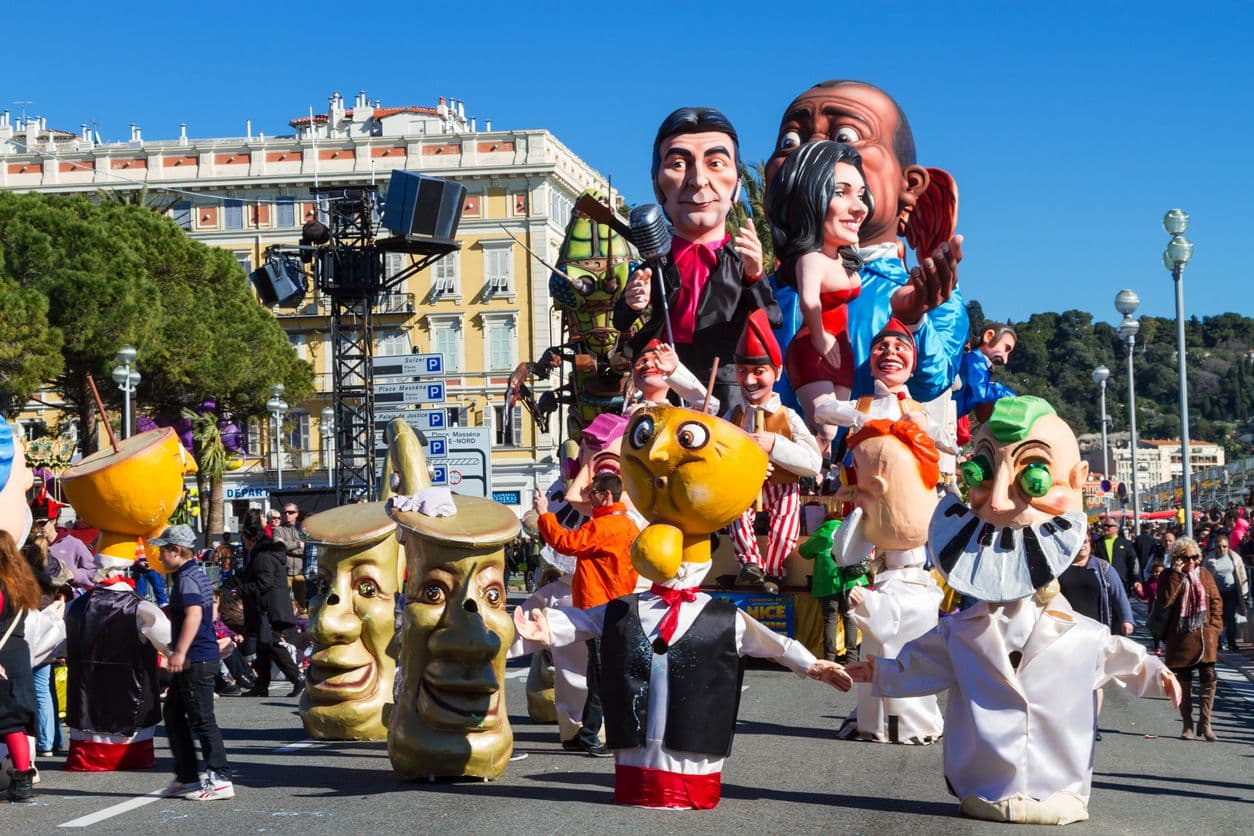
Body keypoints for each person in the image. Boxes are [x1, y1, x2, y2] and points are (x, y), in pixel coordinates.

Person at [852, 397, 1179, 825]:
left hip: (1061, 789)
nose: (1000, 503)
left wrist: (1159, 673)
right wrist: (879, 671)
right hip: (983, 789)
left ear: (1078, 482)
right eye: (981, 473)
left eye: (1035, 477)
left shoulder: (1083, 635)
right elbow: (922, 662)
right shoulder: (963, 632)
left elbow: (1122, 657)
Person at [764, 80, 967, 405]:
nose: (808, 152)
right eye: (791, 140)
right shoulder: (758, 291)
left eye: (845, 136)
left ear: (910, 185)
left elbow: (933, 383)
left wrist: (911, 321)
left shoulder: (925, 294)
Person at [616, 106, 778, 409]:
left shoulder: (739, 260)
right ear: (656, 184)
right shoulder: (656, 262)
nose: (698, 180)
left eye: (716, 163)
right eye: (678, 164)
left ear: (738, 184)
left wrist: (755, 276)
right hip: (666, 378)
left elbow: (771, 320)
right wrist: (631, 303)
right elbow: (620, 319)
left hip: (727, 380)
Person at [767, 139, 871, 458]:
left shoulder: (844, 259)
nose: (859, 207)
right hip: (814, 345)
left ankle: (822, 479)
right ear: (811, 199)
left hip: (841, 346)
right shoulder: (809, 259)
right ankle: (867, 417)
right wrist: (821, 337)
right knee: (825, 420)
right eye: (841, 192)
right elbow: (808, 301)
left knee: (833, 434)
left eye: (862, 195)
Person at [534, 472, 640, 757]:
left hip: (598, 610)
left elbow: (566, 543)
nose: (586, 496)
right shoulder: (625, 524)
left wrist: (544, 514)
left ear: (606, 496)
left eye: (592, 491)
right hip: (613, 608)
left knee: (599, 677)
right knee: (600, 675)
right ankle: (587, 733)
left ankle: (590, 735)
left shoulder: (606, 526)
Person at [726, 310, 823, 592]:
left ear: (776, 373)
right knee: (736, 509)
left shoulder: (788, 416)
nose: (750, 380)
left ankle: (775, 571)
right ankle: (750, 565)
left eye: (759, 371)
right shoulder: (733, 414)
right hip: (745, 486)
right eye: (743, 371)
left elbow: (812, 462)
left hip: (781, 486)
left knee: (787, 513)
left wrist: (775, 445)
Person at [64, 550, 171, 771]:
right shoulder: (141, 607)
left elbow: (57, 644)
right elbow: (169, 642)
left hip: (86, 696)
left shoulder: (75, 606)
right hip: (133, 692)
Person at [151, 525, 234, 800]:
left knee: (201, 719)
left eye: (163, 550)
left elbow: (195, 616)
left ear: (176, 550)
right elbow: (207, 615)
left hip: (196, 658)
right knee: (174, 715)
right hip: (199, 654)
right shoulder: (195, 574)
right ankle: (187, 777)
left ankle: (220, 777)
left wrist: (180, 651)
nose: (160, 556)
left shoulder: (187, 577)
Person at [1057, 529, 1135, 740]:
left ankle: (1092, 724)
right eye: (1078, 542)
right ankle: (1070, 722)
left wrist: (1127, 620)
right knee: (1068, 680)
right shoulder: (1059, 566)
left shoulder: (1102, 568)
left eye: (1086, 541)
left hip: (1095, 632)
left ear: (1091, 544)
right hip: (1065, 632)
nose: (1082, 545)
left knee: (1094, 680)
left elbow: (1119, 595)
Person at [1157, 537, 1223, 740]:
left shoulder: (1203, 574)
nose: (1191, 562)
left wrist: (1215, 629)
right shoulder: (1168, 576)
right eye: (1186, 558)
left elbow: (1215, 602)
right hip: (1180, 637)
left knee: (1208, 676)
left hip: (1204, 636)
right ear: (1176, 558)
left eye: (1195, 557)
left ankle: (1206, 722)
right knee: (1183, 681)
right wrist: (1176, 575)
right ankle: (1187, 723)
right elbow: (1165, 601)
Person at [236, 524, 303, 698]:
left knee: (271, 644)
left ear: (252, 540)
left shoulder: (262, 557)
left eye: (245, 539)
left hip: (269, 609)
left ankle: (297, 678)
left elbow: (263, 583)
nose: (244, 543)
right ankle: (261, 685)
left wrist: (241, 589)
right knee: (263, 647)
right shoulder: (266, 555)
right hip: (271, 608)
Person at [1, 530, 41, 804]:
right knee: (13, 722)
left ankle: (21, 780)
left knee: (8, 721)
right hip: (17, 653)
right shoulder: (19, 581)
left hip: (2, 655)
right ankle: (23, 779)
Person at [797, 511, 867, 664]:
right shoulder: (848, 530)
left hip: (828, 582)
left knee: (830, 619)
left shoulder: (823, 531)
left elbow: (804, 551)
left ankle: (829, 657)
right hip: (850, 580)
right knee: (850, 618)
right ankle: (852, 659)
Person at [1202, 532, 1246, 651]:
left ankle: (1231, 642)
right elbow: (1204, 576)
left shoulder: (1234, 557)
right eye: (1219, 546)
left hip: (1231, 591)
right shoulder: (1209, 558)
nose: (1222, 549)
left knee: (1230, 618)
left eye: (1224, 546)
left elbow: (1242, 574)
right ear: (1215, 546)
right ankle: (1220, 642)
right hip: (1216, 593)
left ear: (1228, 546)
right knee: (1217, 618)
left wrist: (1244, 591)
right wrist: (1211, 568)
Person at [270, 504, 306, 613]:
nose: (287, 515)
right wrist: (298, 545)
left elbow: (305, 548)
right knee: (282, 602)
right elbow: (279, 546)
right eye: (285, 512)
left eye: (291, 512)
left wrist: (287, 546)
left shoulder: (302, 529)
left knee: (302, 605)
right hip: (284, 571)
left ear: (297, 514)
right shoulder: (278, 530)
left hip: (300, 571)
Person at [1098, 520, 1140, 594]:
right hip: (1102, 583)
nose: (1105, 527)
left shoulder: (1125, 543)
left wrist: (1136, 579)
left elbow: (1133, 562)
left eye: (1109, 526)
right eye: (1104, 525)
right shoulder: (1097, 543)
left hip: (1122, 583)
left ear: (1117, 528)